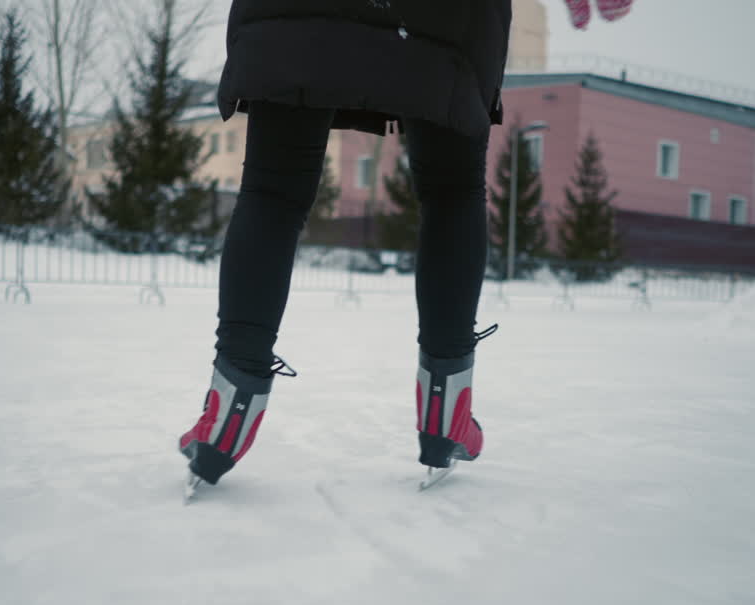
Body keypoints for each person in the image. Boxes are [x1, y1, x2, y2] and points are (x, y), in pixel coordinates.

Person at [179, 0, 631, 494]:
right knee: (452, 191)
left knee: (272, 191)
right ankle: (447, 415)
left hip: (299, 13)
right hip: (440, 18)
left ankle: (227, 415)